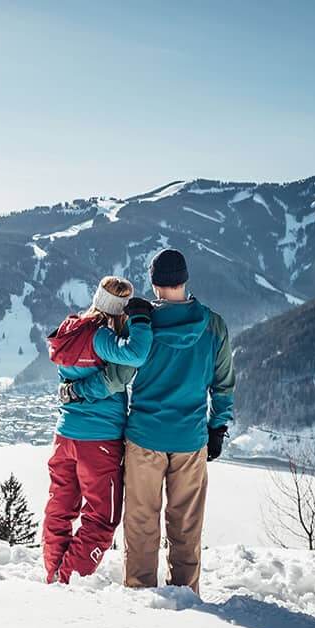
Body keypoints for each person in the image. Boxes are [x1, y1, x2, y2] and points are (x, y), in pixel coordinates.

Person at [119, 249, 234, 595]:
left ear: (154, 283)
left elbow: (119, 374)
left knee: (141, 523)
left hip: (145, 437)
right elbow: (223, 385)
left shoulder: (143, 323)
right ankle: (186, 597)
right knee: (186, 525)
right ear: (185, 280)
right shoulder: (213, 324)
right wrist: (217, 427)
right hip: (190, 439)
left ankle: (140, 594)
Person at [42, 276, 153, 583]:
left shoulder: (71, 331)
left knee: (60, 508)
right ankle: (67, 580)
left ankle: (53, 575)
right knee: (102, 519)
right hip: (99, 440)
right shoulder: (100, 337)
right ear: (119, 309)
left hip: (65, 435)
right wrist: (141, 320)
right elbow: (137, 354)